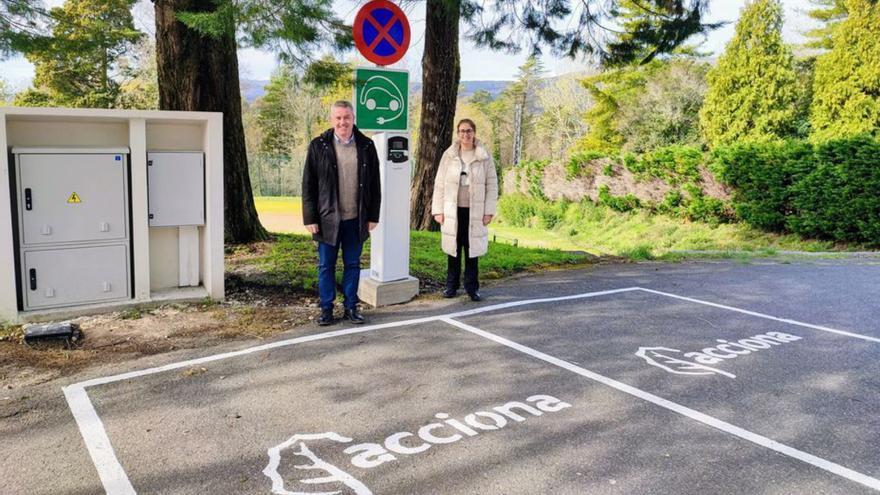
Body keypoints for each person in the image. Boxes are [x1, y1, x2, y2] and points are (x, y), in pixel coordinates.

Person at [302, 100, 381, 326]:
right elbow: (308, 185)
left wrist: (373, 215)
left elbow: (375, 183)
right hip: (327, 219)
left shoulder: (366, 145)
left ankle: (350, 307)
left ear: (353, 118)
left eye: (346, 117)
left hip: (356, 219)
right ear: (332, 119)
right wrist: (310, 218)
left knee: (353, 264)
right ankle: (326, 308)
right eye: (338, 117)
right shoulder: (319, 145)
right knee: (326, 266)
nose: (342, 122)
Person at [431, 118, 498, 301]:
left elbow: (492, 185)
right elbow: (439, 184)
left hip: (474, 211)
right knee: (453, 249)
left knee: (472, 250)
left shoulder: (484, 156)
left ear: (474, 132)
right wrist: (438, 210)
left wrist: (489, 211)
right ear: (457, 133)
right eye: (461, 131)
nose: (465, 134)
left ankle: (472, 288)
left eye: (468, 131)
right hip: (453, 210)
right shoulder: (449, 155)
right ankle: (451, 286)